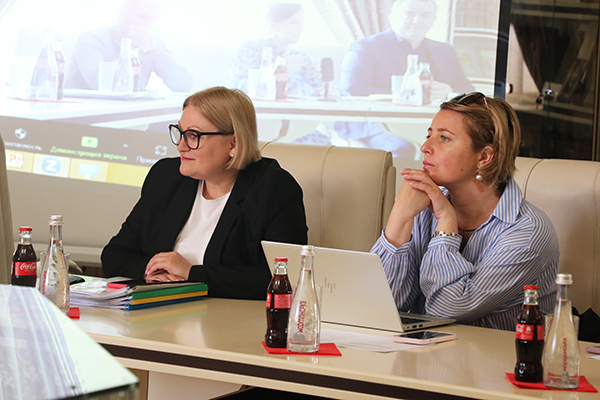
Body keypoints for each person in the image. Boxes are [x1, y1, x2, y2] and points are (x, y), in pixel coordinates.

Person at [371, 92, 559, 331]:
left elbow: (445, 309)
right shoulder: (423, 207)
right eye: (429, 135)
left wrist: (446, 223)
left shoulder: (527, 231)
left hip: (497, 354)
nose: (425, 147)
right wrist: (400, 216)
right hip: (423, 352)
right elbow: (378, 305)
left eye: (444, 138)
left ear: (484, 157)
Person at [101, 86, 308, 300]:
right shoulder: (166, 177)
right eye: (180, 132)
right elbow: (114, 255)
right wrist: (155, 273)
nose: (181, 145)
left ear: (233, 143)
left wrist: (191, 274)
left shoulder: (274, 189)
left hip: (226, 317)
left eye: (193, 136)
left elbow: (282, 277)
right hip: (158, 309)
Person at [340, 0, 473, 99]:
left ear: (434, 20)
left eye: (425, 15)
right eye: (408, 14)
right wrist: (413, 93)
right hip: (376, 120)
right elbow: (352, 91)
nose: (416, 21)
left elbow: (468, 91)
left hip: (433, 120)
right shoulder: (365, 48)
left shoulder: (445, 51)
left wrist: (449, 91)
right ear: (391, 18)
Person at [65, 0, 192, 92]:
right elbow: (99, 83)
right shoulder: (91, 39)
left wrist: (155, 52)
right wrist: (133, 51)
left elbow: (183, 85)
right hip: (85, 114)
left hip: (127, 112)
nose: (147, 25)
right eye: (142, 17)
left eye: (152, 21)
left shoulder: (150, 44)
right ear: (123, 13)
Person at [229, 2, 321, 97]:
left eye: (301, 23)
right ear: (273, 25)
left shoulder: (300, 58)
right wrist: (278, 69)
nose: (300, 29)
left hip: (291, 106)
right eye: (294, 22)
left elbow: (320, 87)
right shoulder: (249, 50)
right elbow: (236, 88)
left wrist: (323, 90)